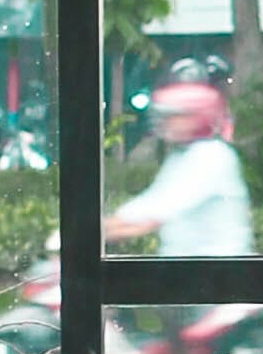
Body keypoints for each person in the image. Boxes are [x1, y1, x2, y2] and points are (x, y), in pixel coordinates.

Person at [103, 61, 254, 258]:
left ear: (198, 117)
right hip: (182, 268)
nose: (166, 123)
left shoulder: (211, 157)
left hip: (214, 275)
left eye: (175, 116)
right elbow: (150, 201)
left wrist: (97, 233)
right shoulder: (181, 157)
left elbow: (153, 213)